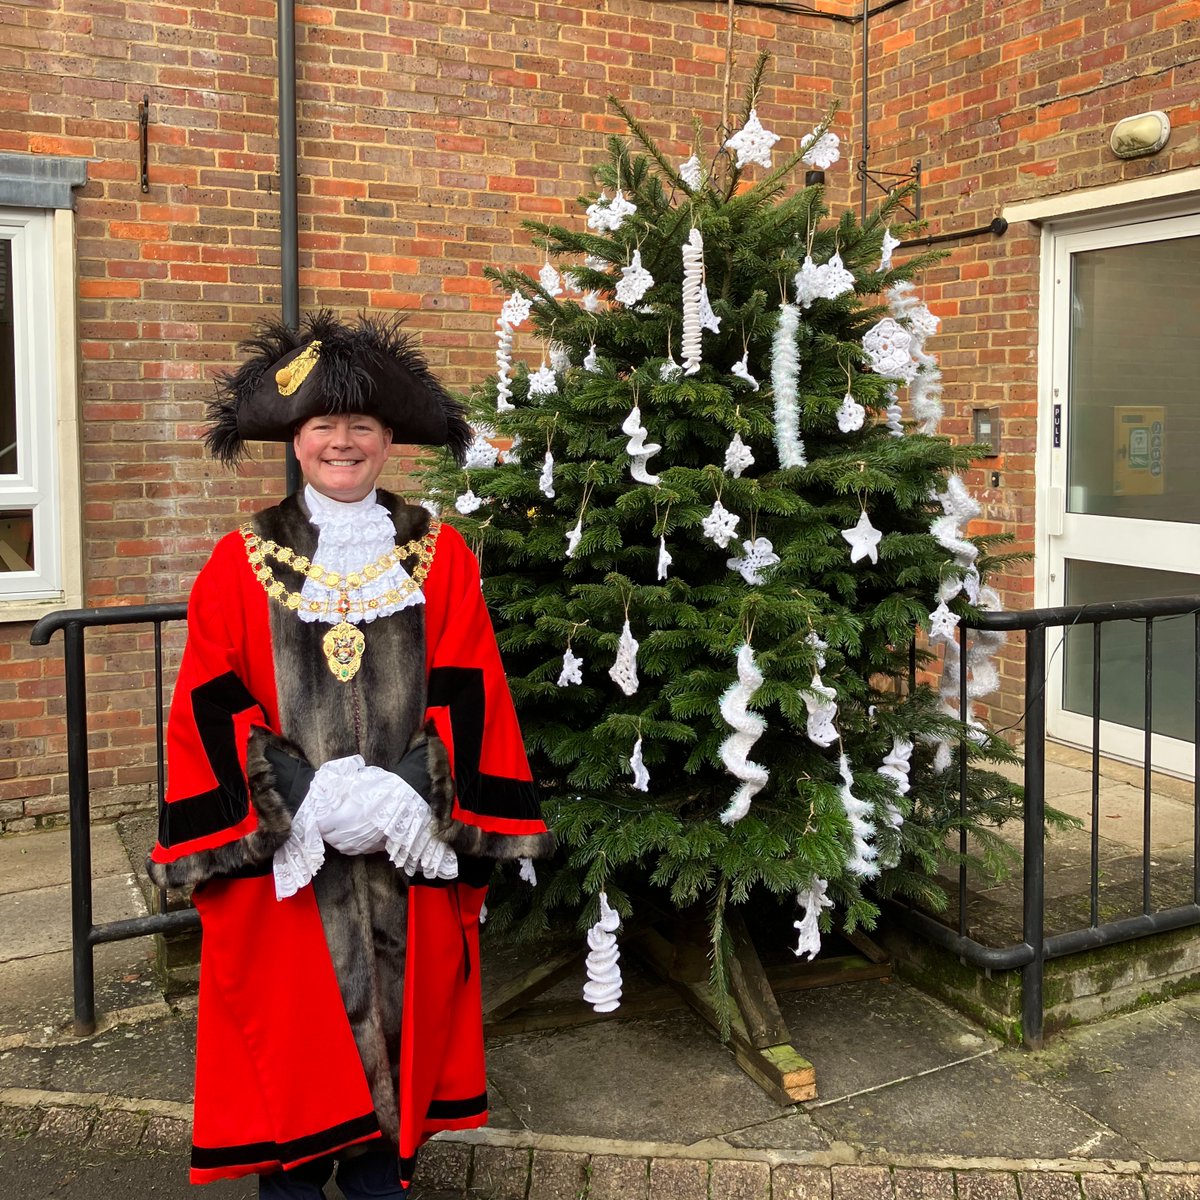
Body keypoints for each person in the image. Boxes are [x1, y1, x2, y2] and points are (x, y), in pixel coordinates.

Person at [147, 311, 554, 1198]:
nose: (343, 441)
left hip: (402, 865)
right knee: (292, 1120)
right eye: (323, 426)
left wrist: (410, 794)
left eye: (361, 426)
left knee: (386, 1134)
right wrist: (304, 799)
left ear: (385, 441)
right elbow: (211, 701)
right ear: (295, 441)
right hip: (289, 866)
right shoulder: (236, 560)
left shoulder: (441, 555)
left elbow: (470, 684)